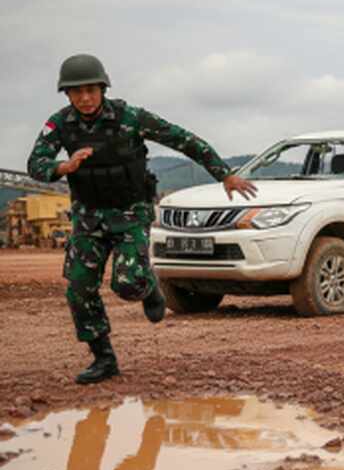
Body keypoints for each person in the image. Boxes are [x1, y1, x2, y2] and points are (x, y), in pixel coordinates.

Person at [26, 54, 257, 384]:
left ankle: (148, 287)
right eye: (77, 93)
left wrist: (225, 174)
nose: (85, 98)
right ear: (67, 95)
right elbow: (36, 163)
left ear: (103, 88)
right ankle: (103, 358)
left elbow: (184, 139)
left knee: (127, 283)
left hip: (130, 215)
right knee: (79, 289)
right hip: (88, 219)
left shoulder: (130, 117)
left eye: (91, 90)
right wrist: (62, 167)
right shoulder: (60, 124)